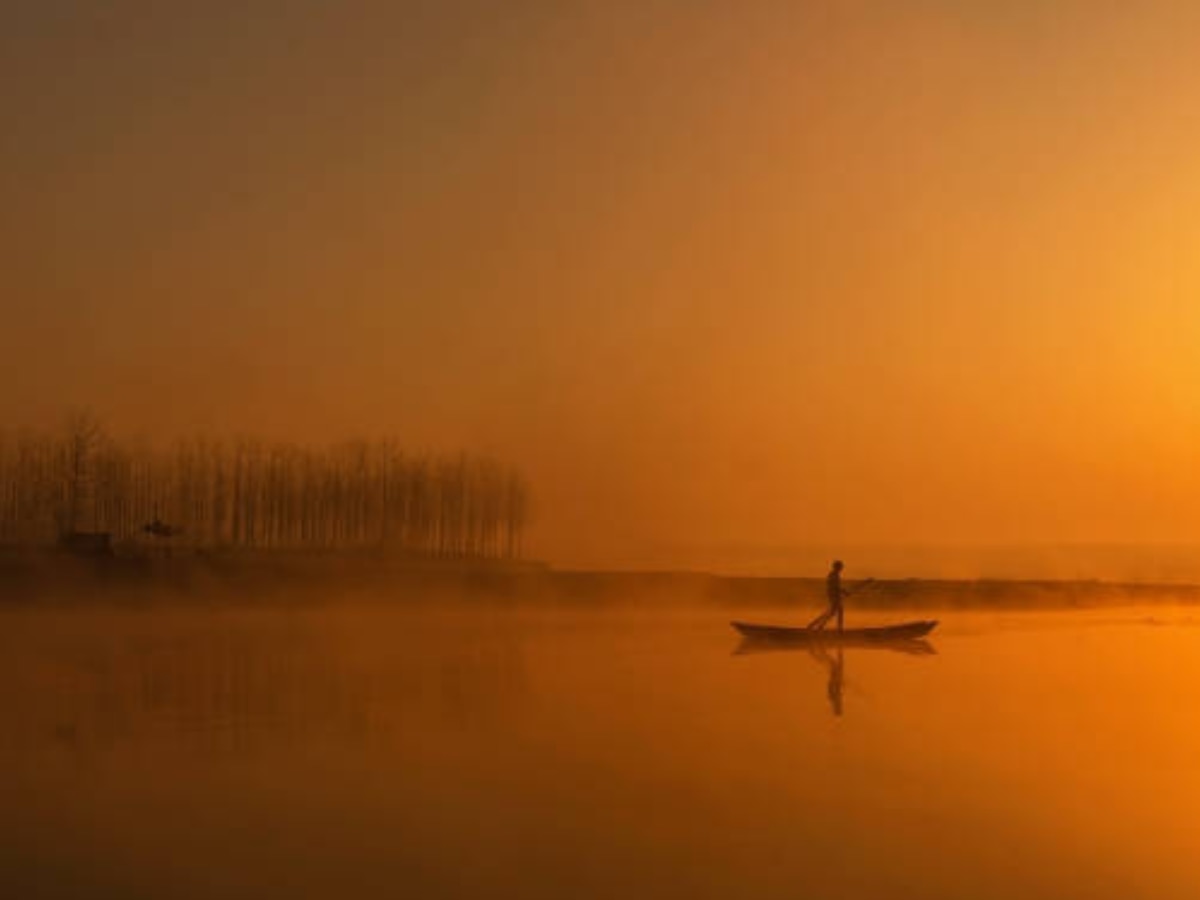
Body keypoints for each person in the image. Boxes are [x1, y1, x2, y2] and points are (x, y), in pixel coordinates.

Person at [808, 559, 846, 633]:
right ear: (837, 567)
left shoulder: (834, 575)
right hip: (834, 596)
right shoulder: (833, 575)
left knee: (830, 612)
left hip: (834, 596)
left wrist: (842, 591)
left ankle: (813, 625)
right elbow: (834, 587)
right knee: (837, 612)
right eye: (841, 567)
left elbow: (835, 587)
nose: (841, 569)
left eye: (841, 567)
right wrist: (843, 591)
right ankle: (838, 630)